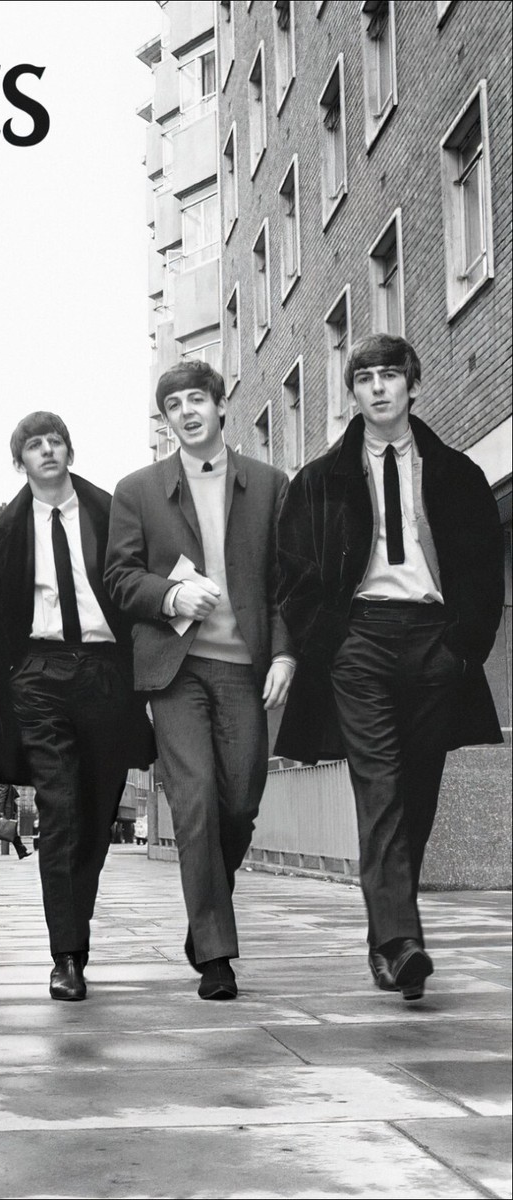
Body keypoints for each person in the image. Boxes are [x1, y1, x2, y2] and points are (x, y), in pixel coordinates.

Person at [275, 334, 504, 1000]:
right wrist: (330, 644)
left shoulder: (457, 473)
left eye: (389, 375)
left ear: (412, 385)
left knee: (418, 794)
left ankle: (384, 938)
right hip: (361, 645)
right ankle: (403, 942)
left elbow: (484, 567)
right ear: (353, 392)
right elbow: (293, 575)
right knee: (379, 790)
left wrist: (465, 645)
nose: (377, 387)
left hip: (437, 644)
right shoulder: (320, 480)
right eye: (364, 377)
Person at [105, 360, 295, 1001]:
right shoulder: (137, 491)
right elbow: (120, 578)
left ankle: (206, 910)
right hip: (176, 670)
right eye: (173, 405)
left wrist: (286, 655)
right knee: (194, 801)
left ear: (220, 407)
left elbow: (283, 584)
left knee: (238, 802)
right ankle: (216, 954)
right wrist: (170, 596)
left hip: (246, 667)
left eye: (196, 400)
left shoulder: (270, 485)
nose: (185, 412)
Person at [0, 412, 155, 1001]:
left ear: (69, 452)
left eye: (55, 442)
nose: (46, 451)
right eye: (33, 445)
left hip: (104, 674)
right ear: (19, 460)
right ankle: (66, 956)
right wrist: (11, 678)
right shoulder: (1, 534)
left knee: (97, 818)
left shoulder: (110, 511)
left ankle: (77, 932)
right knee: (60, 811)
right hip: (39, 677)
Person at [0, 784, 32, 860]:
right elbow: (1, 798)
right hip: (3, 813)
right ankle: (21, 852)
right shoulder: (4, 782)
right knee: (8, 832)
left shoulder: (1, 783)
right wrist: (1, 812)